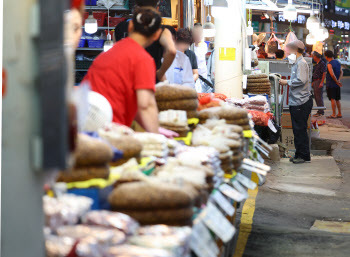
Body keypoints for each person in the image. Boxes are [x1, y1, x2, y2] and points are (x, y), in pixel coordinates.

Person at [83, 7, 162, 133]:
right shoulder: (143, 60)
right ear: (157, 35)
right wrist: (159, 138)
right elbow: (145, 105)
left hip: (85, 129)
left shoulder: (106, 54)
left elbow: (136, 105)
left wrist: (157, 129)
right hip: (110, 134)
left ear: (130, 26)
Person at [114, 0, 176, 82]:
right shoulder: (162, 30)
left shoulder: (120, 27)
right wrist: (160, 73)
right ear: (157, 9)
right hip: (151, 80)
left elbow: (115, 54)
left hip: (125, 79)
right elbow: (171, 51)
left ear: (136, 9)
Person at [279, 40, 313, 164]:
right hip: (297, 101)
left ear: (295, 50)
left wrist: (286, 82)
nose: (287, 53)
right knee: (297, 129)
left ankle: (303, 156)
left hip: (301, 102)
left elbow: (301, 80)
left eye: (289, 50)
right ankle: (300, 153)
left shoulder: (301, 63)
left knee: (300, 129)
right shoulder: (296, 63)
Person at [192, 23, 212, 92]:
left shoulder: (204, 46)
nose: (199, 35)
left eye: (201, 33)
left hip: (204, 79)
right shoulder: (190, 47)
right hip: (194, 79)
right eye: (197, 32)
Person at [324, 50, 343, 119]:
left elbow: (332, 74)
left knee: (333, 99)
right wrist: (339, 80)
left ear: (326, 56)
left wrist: (336, 81)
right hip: (337, 84)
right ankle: (339, 113)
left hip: (331, 84)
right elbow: (341, 72)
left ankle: (334, 114)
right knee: (337, 99)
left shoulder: (329, 64)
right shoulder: (338, 62)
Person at [311, 51, 327, 117]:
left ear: (315, 57)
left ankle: (321, 111)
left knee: (318, 97)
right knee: (317, 97)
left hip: (318, 81)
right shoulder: (317, 63)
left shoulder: (322, 63)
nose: (312, 57)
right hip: (315, 81)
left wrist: (321, 82)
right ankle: (319, 110)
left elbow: (324, 73)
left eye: (313, 56)